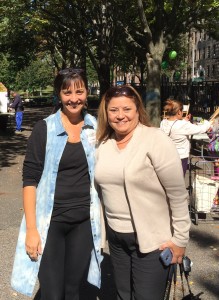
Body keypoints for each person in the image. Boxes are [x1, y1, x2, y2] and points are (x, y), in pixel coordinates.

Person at [11, 68, 103, 299]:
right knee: (52, 293)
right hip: (50, 223)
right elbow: (30, 180)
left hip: (82, 222)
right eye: (67, 92)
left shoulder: (96, 127)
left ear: (86, 92)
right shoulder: (45, 128)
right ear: (59, 94)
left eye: (79, 91)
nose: (74, 98)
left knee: (73, 290)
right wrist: (32, 230)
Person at [95, 85, 191, 300]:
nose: (120, 116)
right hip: (117, 239)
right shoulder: (103, 143)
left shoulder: (156, 140)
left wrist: (180, 239)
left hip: (152, 240)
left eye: (127, 109)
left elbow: (177, 194)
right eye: (114, 110)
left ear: (138, 110)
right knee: (123, 295)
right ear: (106, 113)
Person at [160, 99, 211, 176]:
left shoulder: (163, 122)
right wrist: (208, 123)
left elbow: (175, 125)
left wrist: (184, 120)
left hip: (167, 156)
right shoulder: (182, 125)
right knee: (178, 181)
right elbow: (200, 129)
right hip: (180, 157)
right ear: (179, 112)